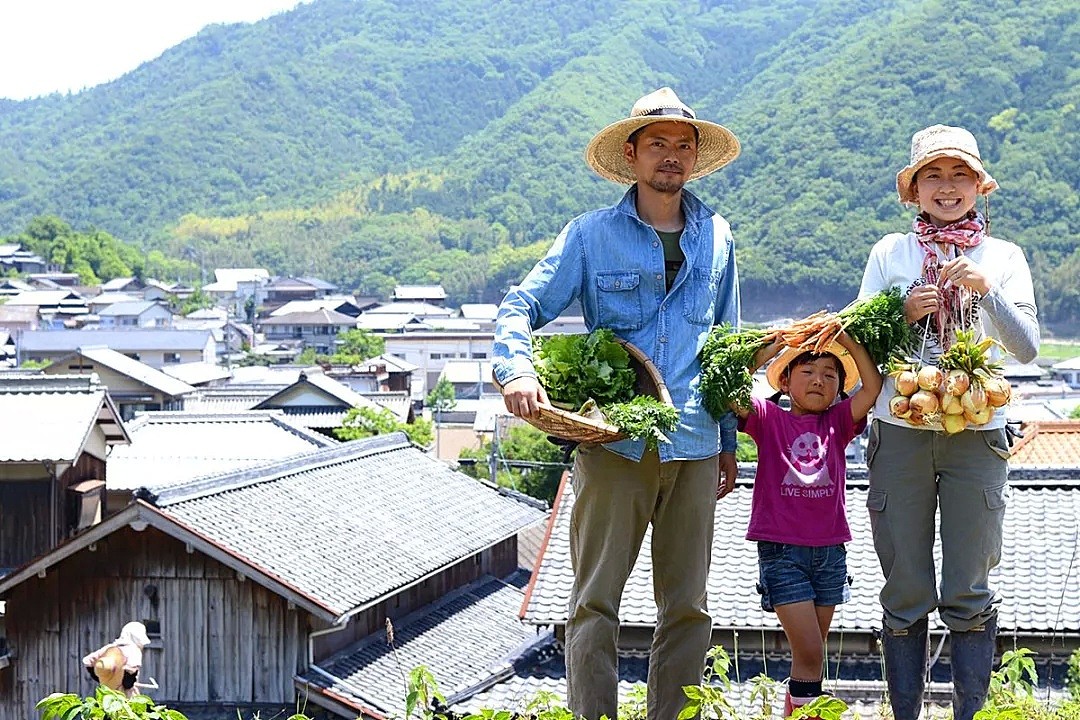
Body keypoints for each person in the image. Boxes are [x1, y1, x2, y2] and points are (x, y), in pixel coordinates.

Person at [493, 87, 742, 720]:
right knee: (595, 601)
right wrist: (517, 371)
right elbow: (520, 306)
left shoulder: (717, 235)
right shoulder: (590, 236)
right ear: (630, 155)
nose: (670, 157)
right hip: (612, 444)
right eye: (656, 144)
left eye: (682, 146)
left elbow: (729, 345)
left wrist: (730, 442)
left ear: (695, 158)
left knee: (687, 607)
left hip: (694, 442)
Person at [858, 124, 1039, 720]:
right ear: (912, 190)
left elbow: (1028, 348)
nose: (947, 187)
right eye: (932, 175)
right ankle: (905, 714)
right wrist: (899, 309)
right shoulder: (891, 253)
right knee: (905, 588)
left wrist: (988, 293)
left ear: (978, 187)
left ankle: (969, 713)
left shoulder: (1003, 258)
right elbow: (857, 340)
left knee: (969, 585)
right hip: (900, 431)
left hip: (978, 434)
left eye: (959, 174)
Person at [734, 333, 881, 716]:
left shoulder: (839, 421)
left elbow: (873, 387)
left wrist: (850, 342)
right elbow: (728, 386)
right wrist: (774, 349)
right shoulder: (769, 419)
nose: (819, 380)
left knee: (810, 660)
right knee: (812, 652)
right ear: (784, 381)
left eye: (830, 375)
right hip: (782, 553)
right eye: (808, 371)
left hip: (830, 553)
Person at [82, 621, 152, 697]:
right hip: (125, 694)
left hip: (107, 693)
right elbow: (130, 676)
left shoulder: (110, 647)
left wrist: (103, 677)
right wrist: (125, 684)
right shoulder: (134, 650)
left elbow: (88, 661)